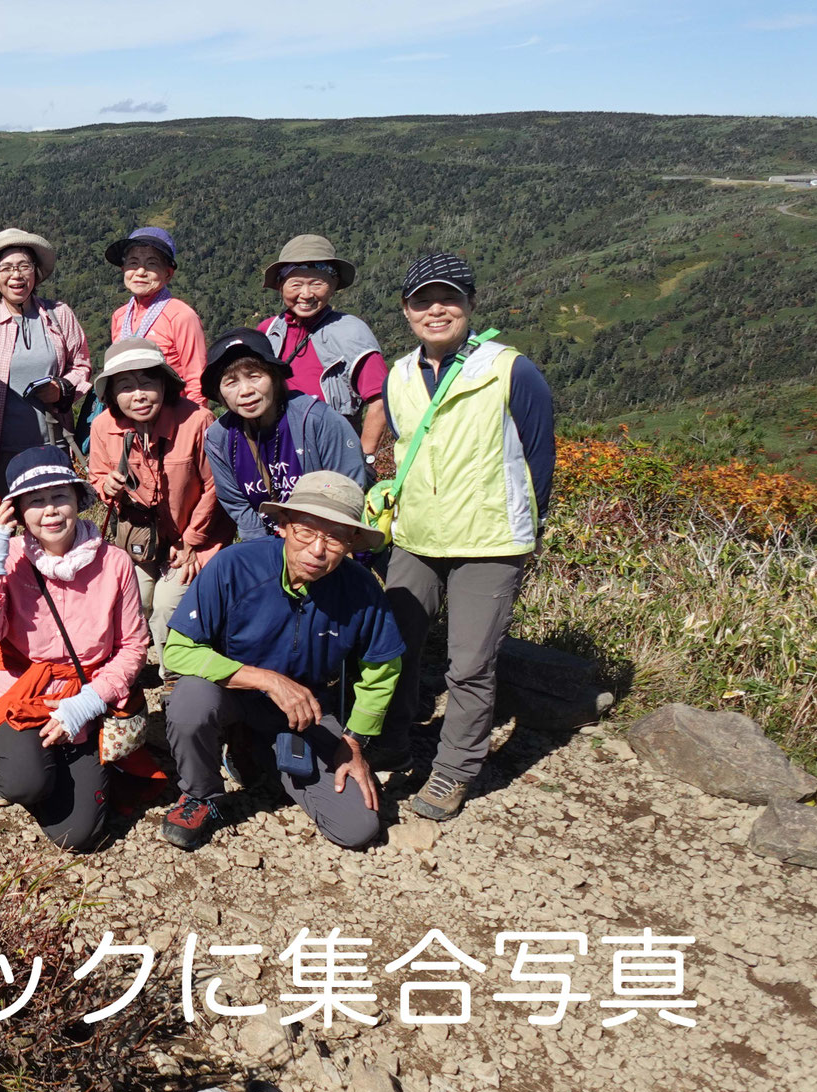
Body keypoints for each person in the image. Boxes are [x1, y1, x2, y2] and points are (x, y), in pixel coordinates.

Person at [373, 253, 555, 822]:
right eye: (422, 300)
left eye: (448, 298)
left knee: (470, 664)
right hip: (417, 536)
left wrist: (526, 526)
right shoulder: (398, 375)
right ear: (406, 311)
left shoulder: (510, 369)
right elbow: (406, 445)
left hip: (490, 541)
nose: (436, 310)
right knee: (396, 647)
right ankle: (392, 744)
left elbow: (538, 458)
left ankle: (453, 770)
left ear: (471, 304)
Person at [158, 472, 406, 851]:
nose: (317, 550)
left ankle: (259, 755)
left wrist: (354, 742)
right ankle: (201, 794)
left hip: (306, 711)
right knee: (190, 699)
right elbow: (177, 650)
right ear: (284, 527)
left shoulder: (363, 590)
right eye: (306, 531)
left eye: (335, 537)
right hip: (231, 696)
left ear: (353, 542)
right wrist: (267, 680)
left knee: (357, 827)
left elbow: (382, 671)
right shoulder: (235, 566)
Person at [0, 446, 149, 851]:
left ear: (78, 501)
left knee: (76, 835)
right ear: (19, 512)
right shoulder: (9, 559)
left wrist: (86, 704)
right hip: (20, 689)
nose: (49, 511)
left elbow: (134, 647)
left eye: (59, 497)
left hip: (87, 695)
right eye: (35, 501)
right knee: (23, 782)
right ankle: (14, 768)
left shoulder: (114, 563)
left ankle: (50, 764)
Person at [86, 337, 223, 643]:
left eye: (148, 381)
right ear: (111, 394)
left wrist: (191, 542)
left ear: (165, 384)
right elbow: (97, 475)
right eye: (125, 387)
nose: (139, 395)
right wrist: (108, 485)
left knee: (167, 606)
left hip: (197, 537)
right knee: (136, 599)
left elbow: (215, 488)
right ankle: (130, 667)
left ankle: (174, 675)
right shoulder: (102, 426)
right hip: (143, 539)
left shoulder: (198, 421)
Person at [0, 228, 92, 503]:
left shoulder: (59, 315)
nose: (16, 275)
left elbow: (82, 365)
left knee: (52, 519)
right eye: (6, 267)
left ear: (36, 273)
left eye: (24, 266)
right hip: (0, 451)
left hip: (52, 444)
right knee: (2, 523)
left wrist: (62, 388)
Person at [202, 329, 373, 542]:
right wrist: (262, 550)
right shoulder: (219, 438)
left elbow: (346, 489)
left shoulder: (317, 420)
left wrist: (308, 545)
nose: (245, 391)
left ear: (274, 378)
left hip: (326, 540)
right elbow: (237, 503)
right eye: (231, 382)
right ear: (220, 393)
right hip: (269, 544)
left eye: (255, 376)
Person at [257, 235, 390, 457]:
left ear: (333, 285)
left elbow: (381, 400)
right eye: (296, 284)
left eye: (317, 283)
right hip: (275, 453)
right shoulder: (268, 331)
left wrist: (363, 460)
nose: (306, 294)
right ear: (281, 286)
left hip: (330, 455)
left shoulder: (351, 333)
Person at [104, 226, 206, 406]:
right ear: (123, 269)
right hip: (130, 414)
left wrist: (193, 425)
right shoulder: (120, 316)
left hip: (173, 415)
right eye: (133, 263)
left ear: (168, 274)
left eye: (151, 263)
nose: (140, 272)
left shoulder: (181, 316)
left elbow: (197, 379)